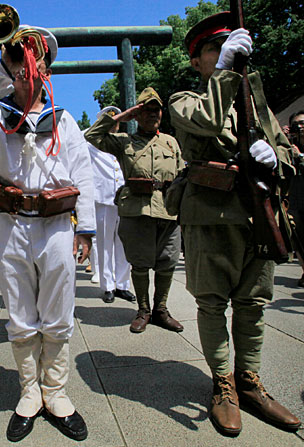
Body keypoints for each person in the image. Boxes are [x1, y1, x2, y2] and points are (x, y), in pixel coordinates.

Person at [0, 25, 95, 442]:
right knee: (19, 314)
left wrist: (84, 229)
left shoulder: (64, 120)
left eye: (37, 62)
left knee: (58, 312)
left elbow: (83, 175)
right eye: (23, 61)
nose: (30, 70)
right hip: (9, 224)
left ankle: (56, 392)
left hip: (55, 225)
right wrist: (3, 66)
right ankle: (29, 392)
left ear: (48, 70)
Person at [168, 12, 301, 436]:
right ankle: (223, 384)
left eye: (231, 43)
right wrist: (224, 71)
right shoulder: (184, 99)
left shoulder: (256, 100)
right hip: (210, 217)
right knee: (212, 303)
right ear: (197, 61)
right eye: (214, 48)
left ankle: (249, 381)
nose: (228, 49)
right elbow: (205, 121)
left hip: (259, 215)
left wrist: (273, 156)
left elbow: (287, 154)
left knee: (253, 304)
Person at [85, 87, 184, 334]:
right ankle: (143, 310)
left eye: (156, 110)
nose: (153, 114)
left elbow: (182, 175)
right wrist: (122, 116)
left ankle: (161, 309)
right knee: (139, 265)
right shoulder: (123, 142)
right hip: (136, 210)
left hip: (168, 211)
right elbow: (91, 135)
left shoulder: (171, 142)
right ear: (138, 114)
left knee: (167, 262)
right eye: (146, 110)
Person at [85, 106, 134, 304]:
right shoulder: (89, 142)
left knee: (124, 244)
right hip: (103, 197)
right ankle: (108, 286)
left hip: (124, 198)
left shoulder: (125, 140)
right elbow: (88, 134)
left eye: (116, 119)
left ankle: (123, 284)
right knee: (105, 244)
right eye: (109, 119)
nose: (114, 123)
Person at [286, 111, 304, 286]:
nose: (299, 128)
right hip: (294, 199)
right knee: (298, 237)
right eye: (295, 124)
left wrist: (300, 156)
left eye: (302, 123)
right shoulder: (289, 145)